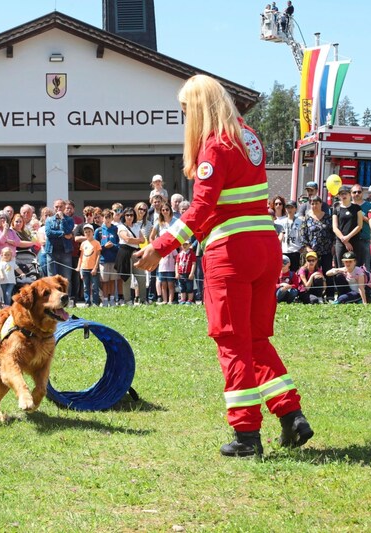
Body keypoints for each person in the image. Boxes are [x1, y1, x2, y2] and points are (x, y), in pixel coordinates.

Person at [134, 74, 313, 458]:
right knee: (256, 339)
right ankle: (291, 416)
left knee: (231, 342)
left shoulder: (214, 146)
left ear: (198, 107)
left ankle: (246, 436)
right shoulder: (250, 138)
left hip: (230, 252)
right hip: (265, 247)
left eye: (185, 110)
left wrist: (159, 246)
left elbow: (201, 209)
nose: (184, 119)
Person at [300, 196, 335, 299]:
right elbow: (302, 234)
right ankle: (314, 294)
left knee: (328, 272)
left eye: (316, 203)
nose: (314, 205)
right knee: (312, 273)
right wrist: (307, 247)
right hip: (312, 252)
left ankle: (330, 295)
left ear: (321, 204)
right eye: (312, 203)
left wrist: (333, 245)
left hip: (326, 250)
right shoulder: (307, 218)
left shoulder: (328, 217)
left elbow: (333, 233)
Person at [44, 199, 75, 290]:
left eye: (60, 206)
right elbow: (49, 233)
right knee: (51, 278)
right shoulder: (49, 220)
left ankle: (66, 299)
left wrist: (62, 219)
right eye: (56, 207)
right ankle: (53, 299)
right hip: (51, 251)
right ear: (54, 208)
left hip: (65, 251)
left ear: (64, 207)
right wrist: (63, 234)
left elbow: (68, 231)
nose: (58, 209)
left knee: (66, 278)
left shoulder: (69, 220)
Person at [331, 185, 364, 267]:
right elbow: (335, 227)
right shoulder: (336, 209)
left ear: (350, 195)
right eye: (341, 194)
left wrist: (348, 237)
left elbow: (359, 225)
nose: (343, 196)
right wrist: (345, 240)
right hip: (340, 242)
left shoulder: (357, 208)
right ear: (339, 196)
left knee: (356, 267)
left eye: (345, 193)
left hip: (354, 241)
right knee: (341, 267)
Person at [96, 207, 120, 306]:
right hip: (103, 260)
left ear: (112, 218)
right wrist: (104, 247)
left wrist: (113, 246)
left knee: (112, 280)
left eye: (109, 217)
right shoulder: (99, 230)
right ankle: (105, 300)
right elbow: (96, 246)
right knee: (105, 281)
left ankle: (112, 299)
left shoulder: (115, 229)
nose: (107, 219)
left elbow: (119, 244)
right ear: (102, 218)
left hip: (114, 259)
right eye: (105, 217)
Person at [76, 223, 101, 306]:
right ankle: (87, 302)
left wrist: (95, 268)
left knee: (95, 287)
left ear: (93, 232)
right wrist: (79, 267)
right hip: (84, 268)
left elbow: (98, 255)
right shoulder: (83, 244)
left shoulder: (96, 243)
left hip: (93, 268)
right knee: (86, 287)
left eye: (89, 231)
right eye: (86, 232)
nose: (87, 233)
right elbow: (81, 256)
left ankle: (95, 302)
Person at [351, 184, 371, 271]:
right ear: (351, 193)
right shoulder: (347, 205)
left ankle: (366, 284)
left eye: (359, 192)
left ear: (362, 193)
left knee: (365, 267)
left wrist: (361, 215)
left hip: (364, 239)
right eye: (354, 192)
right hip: (350, 240)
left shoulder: (369, 206)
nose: (357, 194)